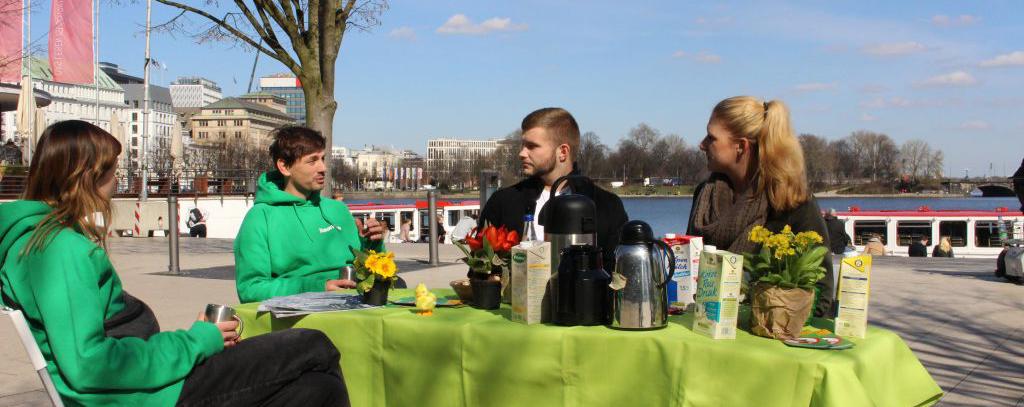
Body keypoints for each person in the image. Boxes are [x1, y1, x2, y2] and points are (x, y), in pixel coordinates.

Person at [0, 120, 349, 406]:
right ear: (87, 176)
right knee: (313, 344)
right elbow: (91, 365)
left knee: (316, 390)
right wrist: (197, 341)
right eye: (111, 171)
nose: (113, 181)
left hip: (147, 382)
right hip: (146, 395)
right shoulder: (59, 250)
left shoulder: (36, 240)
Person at [685, 96, 834, 317]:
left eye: (711, 138)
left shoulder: (791, 201)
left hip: (770, 336)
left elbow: (822, 292)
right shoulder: (704, 195)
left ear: (741, 146)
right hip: (705, 326)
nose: (702, 145)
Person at [234, 126, 386, 303]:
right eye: (312, 161)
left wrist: (372, 244)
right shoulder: (260, 218)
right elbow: (250, 289)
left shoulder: (338, 210)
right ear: (284, 166)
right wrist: (315, 287)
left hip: (356, 305)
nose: (323, 168)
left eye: (322, 159)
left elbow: (373, 274)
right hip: (301, 318)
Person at [479, 107, 628, 272]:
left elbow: (618, 273)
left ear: (562, 152)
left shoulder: (606, 205)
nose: (522, 153)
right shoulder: (503, 202)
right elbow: (480, 272)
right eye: (523, 145)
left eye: (532, 146)